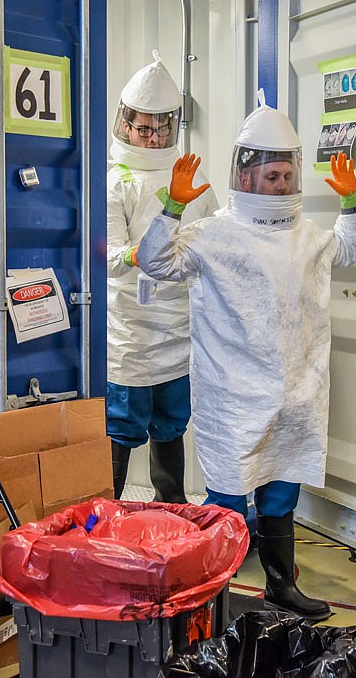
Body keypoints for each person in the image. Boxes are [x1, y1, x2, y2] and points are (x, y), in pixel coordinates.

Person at [138, 93, 356, 621]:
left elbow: (348, 250)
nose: (280, 185)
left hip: (296, 395)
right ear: (245, 177)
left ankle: (280, 588)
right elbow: (155, 261)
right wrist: (171, 208)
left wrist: (351, 206)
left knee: (281, 495)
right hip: (235, 397)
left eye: (287, 175)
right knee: (228, 500)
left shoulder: (309, 236)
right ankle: (209, 601)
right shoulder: (214, 232)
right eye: (271, 177)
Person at [106, 51, 219, 504]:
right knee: (121, 427)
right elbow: (109, 258)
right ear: (126, 125)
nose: (153, 137)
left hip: (178, 332)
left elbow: (211, 240)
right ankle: (103, 518)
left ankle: (171, 514)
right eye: (143, 127)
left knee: (172, 425)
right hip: (130, 333)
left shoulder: (192, 176)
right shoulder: (115, 179)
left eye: (162, 128)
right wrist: (149, 253)